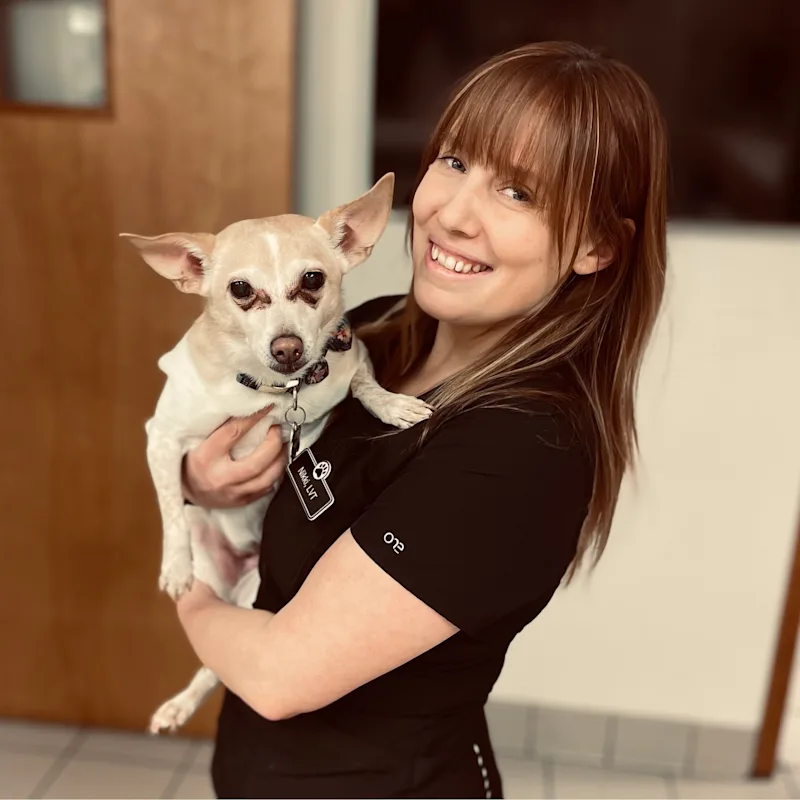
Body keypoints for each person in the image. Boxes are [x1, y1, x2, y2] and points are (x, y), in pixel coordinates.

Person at [173, 41, 668, 799]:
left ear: (597, 246)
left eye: (520, 195)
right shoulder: (367, 333)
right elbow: (232, 446)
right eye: (457, 162)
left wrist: (184, 582)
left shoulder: (521, 449)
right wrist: (201, 483)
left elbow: (279, 673)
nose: (454, 215)